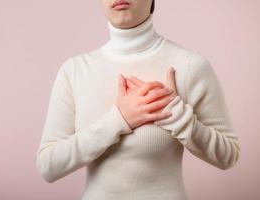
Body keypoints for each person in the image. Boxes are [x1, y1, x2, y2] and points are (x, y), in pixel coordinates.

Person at [35, 0, 240, 199]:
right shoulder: (74, 71)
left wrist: (177, 117)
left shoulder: (190, 66)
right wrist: (118, 120)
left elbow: (228, 156)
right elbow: (48, 166)